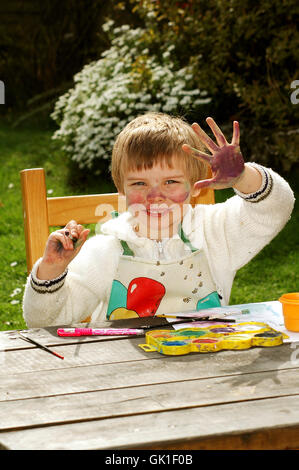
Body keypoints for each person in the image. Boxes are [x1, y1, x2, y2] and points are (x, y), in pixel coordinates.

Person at [23, 113, 295, 327]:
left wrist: (243, 177)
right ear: (121, 188)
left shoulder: (216, 231)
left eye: (171, 182)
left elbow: (276, 207)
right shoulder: (105, 251)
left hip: (207, 369)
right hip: (122, 376)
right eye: (139, 183)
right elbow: (44, 322)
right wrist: (51, 271)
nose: (155, 196)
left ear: (196, 185)